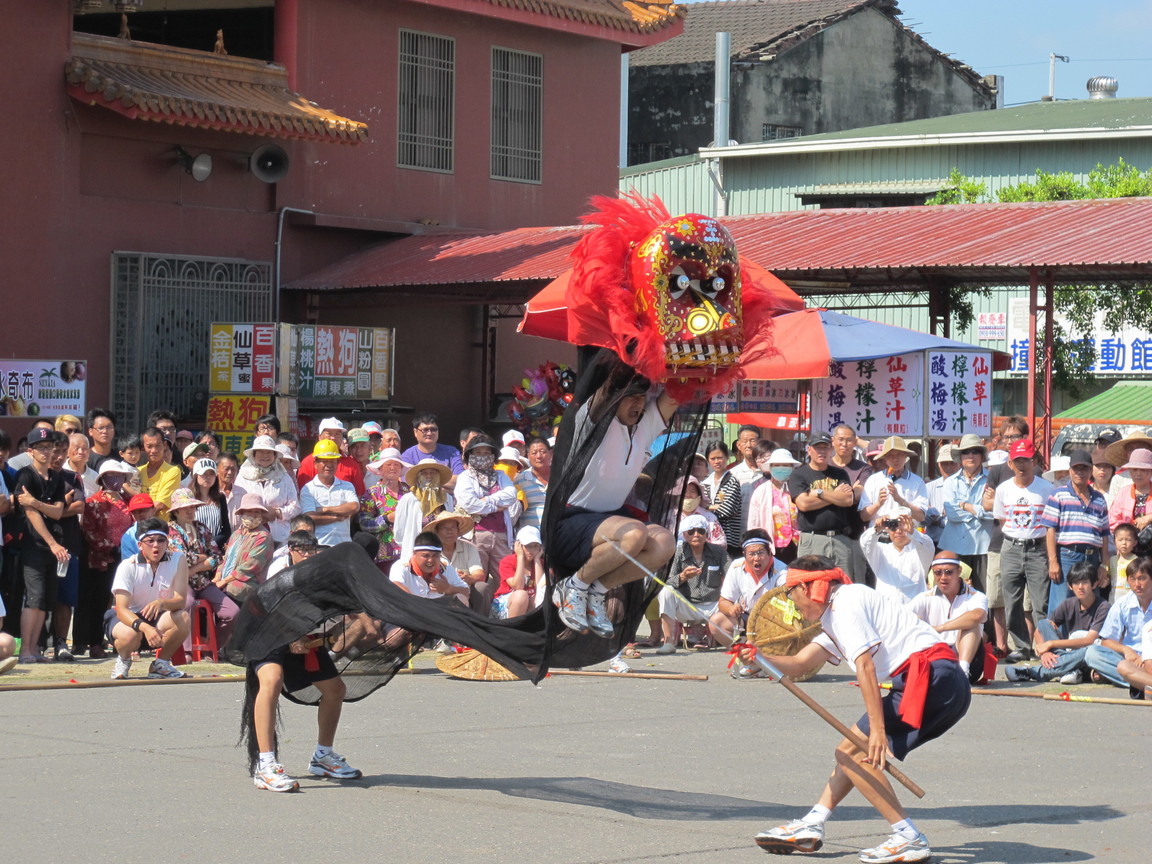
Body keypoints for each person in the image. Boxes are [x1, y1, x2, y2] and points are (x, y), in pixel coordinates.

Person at [753, 556, 970, 863]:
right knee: (849, 751)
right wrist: (758, 655)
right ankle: (813, 824)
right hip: (941, 681)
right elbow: (801, 663)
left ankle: (908, 836)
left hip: (929, 678)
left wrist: (878, 731)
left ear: (810, 586)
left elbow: (864, 667)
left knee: (853, 753)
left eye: (792, 591)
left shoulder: (846, 603)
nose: (791, 600)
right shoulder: (836, 614)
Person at [549, 369, 678, 638]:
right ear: (615, 398)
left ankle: (597, 590)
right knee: (634, 534)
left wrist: (703, 367)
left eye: (642, 397)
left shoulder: (646, 425)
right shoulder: (591, 422)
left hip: (612, 518)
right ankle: (573, 586)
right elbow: (604, 391)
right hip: (571, 520)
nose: (638, 403)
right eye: (630, 397)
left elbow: (675, 396)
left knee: (665, 544)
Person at [105, 518, 191, 680]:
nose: (156, 545)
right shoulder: (127, 566)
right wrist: (145, 628)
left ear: (167, 543)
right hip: (129, 620)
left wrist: (162, 603)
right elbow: (121, 609)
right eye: (150, 541)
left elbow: (181, 600)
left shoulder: (178, 559)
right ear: (140, 545)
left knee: (183, 617)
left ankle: (161, 664)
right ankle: (123, 659)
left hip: (159, 618)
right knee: (130, 635)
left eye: (161, 540)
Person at [12, 427, 70, 664]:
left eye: (49, 447)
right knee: (33, 598)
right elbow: (30, 514)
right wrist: (52, 542)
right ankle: (26, 648)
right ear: (30, 451)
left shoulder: (56, 477)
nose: (47, 452)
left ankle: (35, 648)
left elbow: (57, 512)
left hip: (53, 546)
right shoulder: (24, 475)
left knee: (46, 599)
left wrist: (36, 502)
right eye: (41, 448)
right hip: (33, 545)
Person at [992, 439, 1054, 660]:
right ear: (1010, 463)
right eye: (1017, 460)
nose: (1021, 465)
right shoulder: (1003, 489)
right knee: (1012, 602)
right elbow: (1001, 520)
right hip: (1011, 547)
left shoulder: (1047, 488)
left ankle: (1045, 646)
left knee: (1041, 602)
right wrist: (1016, 537)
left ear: (1034, 461)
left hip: (1038, 549)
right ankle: (1021, 647)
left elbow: (1051, 525)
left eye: (1026, 460)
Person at [1006, 562, 1109, 685]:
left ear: (1094, 584)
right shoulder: (1068, 604)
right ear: (1070, 586)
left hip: (1091, 655)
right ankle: (1068, 668)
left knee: (1088, 650)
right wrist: (1045, 652)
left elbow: (1090, 640)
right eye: (1076, 583)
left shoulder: (1103, 606)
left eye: (1085, 582)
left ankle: (1031, 672)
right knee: (1044, 623)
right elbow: (1039, 630)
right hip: (1070, 653)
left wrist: (1050, 644)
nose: (1080, 587)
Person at [1039, 448, 1110, 616]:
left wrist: (1104, 565)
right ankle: (1056, 643)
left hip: (1092, 557)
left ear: (1090, 470)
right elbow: (1050, 530)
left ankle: (1085, 642)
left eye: (1084, 468)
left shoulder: (1099, 499)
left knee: (1091, 605)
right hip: (1066, 556)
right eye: (1076, 468)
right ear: (1070, 470)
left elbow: (1104, 534)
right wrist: (1053, 561)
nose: (1080, 472)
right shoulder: (1058, 495)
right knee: (1061, 605)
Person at [167, 487, 238, 650]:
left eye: (192, 507)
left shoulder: (201, 528)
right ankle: (185, 651)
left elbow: (217, 556)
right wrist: (204, 558)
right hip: (180, 582)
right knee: (187, 603)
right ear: (176, 511)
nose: (190, 511)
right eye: (185, 508)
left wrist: (196, 568)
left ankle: (215, 648)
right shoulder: (171, 530)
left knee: (232, 611)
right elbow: (182, 558)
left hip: (203, 582)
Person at [78, 460, 137, 658]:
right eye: (111, 475)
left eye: (119, 475)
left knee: (122, 601)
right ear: (102, 478)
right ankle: (95, 642)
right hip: (100, 560)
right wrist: (110, 549)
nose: (115, 479)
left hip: (125, 559)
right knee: (98, 602)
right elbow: (89, 531)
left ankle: (121, 639)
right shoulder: (93, 501)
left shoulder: (127, 501)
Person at [787, 431, 861, 583]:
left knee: (842, 585)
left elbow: (847, 499)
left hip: (840, 538)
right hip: (813, 538)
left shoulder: (840, 474)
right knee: (810, 584)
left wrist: (819, 492)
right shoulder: (799, 474)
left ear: (831, 449)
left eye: (825, 447)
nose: (821, 452)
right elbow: (804, 504)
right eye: (817, 447)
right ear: (809, 449)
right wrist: (835, 496)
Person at [908, 551, 989, 682]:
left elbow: (977, 615)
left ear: (959, 572)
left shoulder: (976, 596)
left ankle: (963, 671)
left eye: (948, 572)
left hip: (968, 657)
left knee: (970, 625)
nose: (943, 577)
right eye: (938, 573)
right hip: (935, 655)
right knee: (912, 619)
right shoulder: (924, 597)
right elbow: (903, 617)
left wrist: (940, 628)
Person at [656, 513, 728, 654]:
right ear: (685, 535)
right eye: (691, 532)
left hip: (713, 605)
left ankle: (734, 641)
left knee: (736, 595)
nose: (696, 535)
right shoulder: (678, 552)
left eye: (701, 531)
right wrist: (683, 576)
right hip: (687, 605)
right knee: (666, 591)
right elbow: (667, 580)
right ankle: (669, 642)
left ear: (706, 534)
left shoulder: (718, 551)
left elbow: (731, 574)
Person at [455, 434, 521, 584]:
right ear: (469, 455)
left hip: (502, 535)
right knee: (477, 579)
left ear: (493, 455)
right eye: (478, 453)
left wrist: (488, 500)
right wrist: (497, 506)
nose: (482, 456)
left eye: (486, 453)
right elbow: (470, 505)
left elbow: (511, 496)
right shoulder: (465, 477)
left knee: (505, 579)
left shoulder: (501, 475)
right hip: (476, 535)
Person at [710, 529, 787, 655]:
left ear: (770, 553)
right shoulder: (736, 567)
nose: (756, 559)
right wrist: (731, 608)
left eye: (760, 553)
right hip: (747, 618)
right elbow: (723, 601)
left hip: (775, 621)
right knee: (717, 622)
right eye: (751, 554)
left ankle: (769, 659)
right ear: (744, 554)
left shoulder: (782, 572)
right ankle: (747, 658)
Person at [938, 433, 993, 595]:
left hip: (983, 547)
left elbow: (996, 513)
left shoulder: (993, 480)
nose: (970, 455)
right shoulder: (950, 482)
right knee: (954, 593)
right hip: (954, 546)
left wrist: (966, 506)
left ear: (982, 456)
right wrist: (980, 511)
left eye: (975, 451)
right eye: (966, 452)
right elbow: (952, 514)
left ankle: (983, 622)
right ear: (960, 456)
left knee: (984, 594)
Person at [1085, 556, 1152, 689]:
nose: (1137, 584)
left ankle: (1137, 682)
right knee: (1092, 653)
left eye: (1142, 578)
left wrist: (1146, 659)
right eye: (1132, 579)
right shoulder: (1122, 604)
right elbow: (1106, 640)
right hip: (1130, 659)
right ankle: (1142, 682)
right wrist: (1126, 650)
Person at [231, 435, 300, 545]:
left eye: (268, 452)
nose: (265, 456)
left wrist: (278, 512)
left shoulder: (284, 477)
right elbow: (237, 505)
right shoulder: (243, 476)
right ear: (254, 454)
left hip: (280, 538)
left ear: (274, 455)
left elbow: (296, 507)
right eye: (261, 452)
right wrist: (260, 513)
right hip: (250, 538)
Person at [859, 510, 934, 605]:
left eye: (902, 526)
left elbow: (928, 545)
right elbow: (865, 543)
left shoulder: (919, 551)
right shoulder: (881, 550)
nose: (898, 530)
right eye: (893, 526)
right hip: (887, 612)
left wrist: (912, 532)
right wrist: (877, 529)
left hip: (915, 613)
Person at [216, 493, 275, 606]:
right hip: (225, 581)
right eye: (249, 511)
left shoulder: (263, 536)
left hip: (246, 585)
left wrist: (224, 581)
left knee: (231, 592)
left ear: (262, 515)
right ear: (242, 513)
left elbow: (251, 566)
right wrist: (217, 577)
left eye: (256, 512)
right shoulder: (236, 535)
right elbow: (225, 560)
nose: (252, 515)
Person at [299, 440, 360, 547]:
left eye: (332, 461)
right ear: (315, 464)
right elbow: (309, 518)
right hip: (318, 547)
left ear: (337, 464)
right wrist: (335, 518)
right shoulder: (308, 489)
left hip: (344, 546)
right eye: (324, 461)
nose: (328, 465)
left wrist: (324, 509)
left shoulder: (347, 486)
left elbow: (354, 506)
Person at [358, 448, 410, 574]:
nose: (393, 468)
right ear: (380, 469)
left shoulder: (409, 492)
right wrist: (387, 519)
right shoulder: (372, 493)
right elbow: (364, 523)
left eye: (396, 464)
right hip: (384, 555)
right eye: (388, 464)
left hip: (408, 554)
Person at [746, 445, 800, 564]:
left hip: (797, 545)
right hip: (772, 546)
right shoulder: (760, 491)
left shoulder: (797, 489)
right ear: (770, 468)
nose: (781, 468)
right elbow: (753, 523)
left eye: (786, 465)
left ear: (792, 468)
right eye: (777, 465)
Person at [426, 509, 488, 613]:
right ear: (437, 532)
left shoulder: (469, 548)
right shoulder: (430, 553)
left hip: (466, 591)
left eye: (453, 528)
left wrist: (469, 578)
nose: (449, 531)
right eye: (445, 528)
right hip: (440, 593)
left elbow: (479, 574)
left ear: (458, 531)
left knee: (482, 587)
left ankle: (480, 623)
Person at [858, 436, 928, 527]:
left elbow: (921, 516)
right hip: (879, 537)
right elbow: (864, 516)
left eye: (899, 454)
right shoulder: (873, 480)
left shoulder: (917, 482)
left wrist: (900, 500)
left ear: (906, 456)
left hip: (906, 537)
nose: (895, 459)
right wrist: (878, 503)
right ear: (885, 458)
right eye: (890, 455)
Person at [394, 458, 456, 560]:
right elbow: (399, 531)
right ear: (418, 476)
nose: (429, 476)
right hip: (415, 551)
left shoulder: (446, 498)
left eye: (433, 473)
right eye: (425, 473)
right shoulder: (409, 499)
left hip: (441, 553)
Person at [389, 530, 470, 603]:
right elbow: (395, 586)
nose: (430, 560)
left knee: (461, 598)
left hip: (439, 613)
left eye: (435, 555)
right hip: (412, 612)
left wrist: (448, 588)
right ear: (414, 553)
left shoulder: (444, 567)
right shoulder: (402, 566)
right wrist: (417, 604)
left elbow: (466, 592)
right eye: (425, 556)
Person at [295, 418, 366, 496]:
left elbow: (359, 496)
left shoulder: (352, 464)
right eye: (329, 433)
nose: (333, 438)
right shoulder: (307, 462)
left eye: (337, 434)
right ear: (319, 437)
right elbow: (302, 494)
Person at [400, 413, 464, 489]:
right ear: (415, 432)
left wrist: (427, 484)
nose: (429, 433)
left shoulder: (452, 452)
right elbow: (409, 484)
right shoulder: (407, 456)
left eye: (433, 429)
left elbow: (460, 480)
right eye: (425, 430)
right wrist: (443, 486)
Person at [493, 525, 545, 619]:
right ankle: (512, 629)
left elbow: (541, 589)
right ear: (519, 545)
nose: (531, 551)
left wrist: (537, 560)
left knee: (540, 597)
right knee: (521, 595)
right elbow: (518, 586)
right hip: (506, 605)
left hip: (529, 603)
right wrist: (520, 557)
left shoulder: (540, 564)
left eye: (535, 546)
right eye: (528, 546)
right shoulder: (507, 561)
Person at [701, 441, 743, 555]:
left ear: (727, 457)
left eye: (720, 458)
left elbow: (727, 510)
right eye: (713, 458)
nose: (716, 462)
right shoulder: (705, 483)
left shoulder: (732, 481)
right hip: (709, 539)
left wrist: (706, 507)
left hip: (729, 540)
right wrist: (713, 507)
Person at [137, 427, 182, 519]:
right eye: (149, 446)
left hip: (161, 528)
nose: (154, 451)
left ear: (164, 445)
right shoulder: (137, 472)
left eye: (158, 445)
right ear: (142, 448)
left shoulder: (173, 471)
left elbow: (161, 504)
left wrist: (138, 516)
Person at [187, 457, 230, 550]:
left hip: (215, 548)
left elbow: (226, 530)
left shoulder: (220, 498)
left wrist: (213, 543)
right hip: (193, 547)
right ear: (196, 475)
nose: (208, 477)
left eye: (211, 474)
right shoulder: (188, 497)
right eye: (204, 474)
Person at [1107, 448, 1152, 537]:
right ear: (1129, 471)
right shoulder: (1123, 493)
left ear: (1150, 471)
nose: (1138, 473)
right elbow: (1112, 521)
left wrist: (1149, 518)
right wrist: (1130, 528)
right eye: (1134, 469)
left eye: (1143, 469)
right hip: (1127, 546)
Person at [729, 424, 763, 532]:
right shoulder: (732, 474)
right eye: (745, 441)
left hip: (765, 533)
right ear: (739, 445)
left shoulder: (769, 472)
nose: (749, 445)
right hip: (740, 535)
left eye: (753, 440)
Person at [513, 436, 551, 531]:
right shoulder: (520, 480)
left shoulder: (561, 477)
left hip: (559, 531)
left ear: (550, 453)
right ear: (528, 455)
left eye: (542, 451)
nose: (539, 456)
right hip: (531, 537)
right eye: (534, 453)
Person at [923, 444, 958, 546]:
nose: (948, 467)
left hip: (959, 544)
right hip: (934, 544)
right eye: (944, 464)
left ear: (959, 464)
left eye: (952, 463)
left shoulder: (967, 487)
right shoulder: (929, 487)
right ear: (938, 464)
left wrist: (938, 520)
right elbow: (921, 517)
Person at [1108, 522, 1138, 602]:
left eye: (1128, 540)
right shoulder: (1112, 560)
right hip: (1114, 601)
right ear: (1114, 542)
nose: (1124, 543)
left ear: (1135, 542)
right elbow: (1109, 578)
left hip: (1131, 601)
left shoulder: (1136, 561)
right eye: (1120, 540)